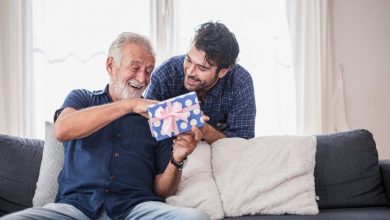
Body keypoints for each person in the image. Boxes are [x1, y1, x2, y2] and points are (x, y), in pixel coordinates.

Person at [2, 33, 210, 220]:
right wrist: (129, 106)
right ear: (111, 66)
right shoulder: (83, 98)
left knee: (196, 217)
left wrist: (178, 158)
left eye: (148, 71)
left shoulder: (157, 116)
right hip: (75, 208)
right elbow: (62, 130)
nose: (142, 78)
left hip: (135, 209)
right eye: (135, 68)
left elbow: (163, 190)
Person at [144, 21, 256, 144]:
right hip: (171, 148)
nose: (190, 72)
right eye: (188, 60)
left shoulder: (240, 81)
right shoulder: (166, 73)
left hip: (222, 151)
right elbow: (144, 126)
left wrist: (204, 129)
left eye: (202, 68)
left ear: (223, 72)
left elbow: (242, 143)